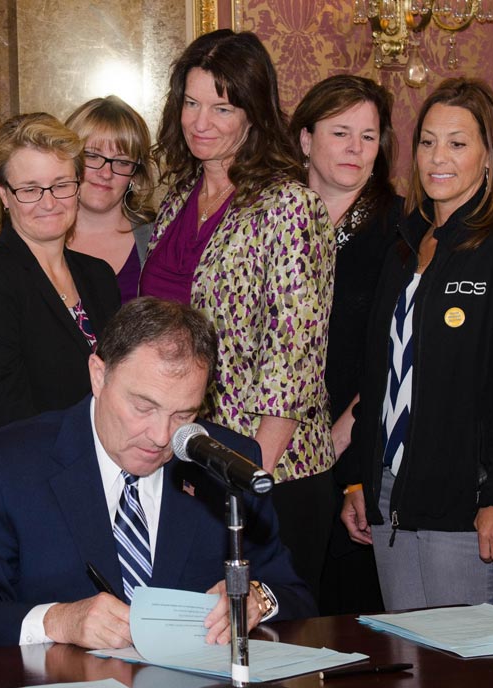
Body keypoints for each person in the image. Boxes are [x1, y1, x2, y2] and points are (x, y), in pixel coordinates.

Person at [0, 297, 315, 653]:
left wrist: (258, 599)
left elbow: (295, 594)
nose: (162, 436)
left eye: (184, 415)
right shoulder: (8, 465)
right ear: (99, 374)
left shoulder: (224, 464)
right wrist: (58, 620)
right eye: (143, 406)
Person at [340, 78, 493, 612]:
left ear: (489, 157)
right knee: (415, 681)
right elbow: (378, 376)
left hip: (475, 506)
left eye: (458, 143)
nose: (438, 157)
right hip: (394, 499)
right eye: (427, 141)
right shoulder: (403, 248)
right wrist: (357, 482)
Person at [141, 29, 336, 602]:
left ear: (253, 114)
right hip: (191, 461)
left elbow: (293, 360)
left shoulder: (289, 205)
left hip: (268, 471)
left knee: (275, 649)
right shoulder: (177, 195)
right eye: (192, 103)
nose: (201, 121)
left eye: (222, 107)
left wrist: (246, 478)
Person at [289, 74, 402, 616]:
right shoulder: (271, 218)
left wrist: (345, 436)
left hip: (356, 447)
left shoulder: (401, 228)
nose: (356, 148)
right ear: (306, 139)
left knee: (349, 620)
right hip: (274, 448)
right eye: (341, 132)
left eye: (369, 135)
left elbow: (400, 349)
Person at [0, 113, 120, 436]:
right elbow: (7, 421)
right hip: (34, 475)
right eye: (30, 189)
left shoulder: (100, 277)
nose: (49, 202)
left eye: (61, 185)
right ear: (4, 195)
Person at [64, 96, 157, 302]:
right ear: (68, 160)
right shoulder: (38, 239)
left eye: (122, 161)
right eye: (92, 156)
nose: (106, 173)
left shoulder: (157, 242)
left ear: (135, 173)